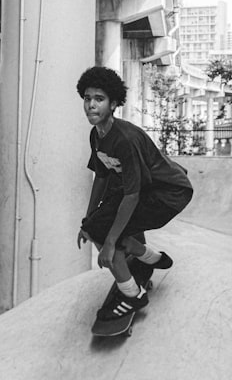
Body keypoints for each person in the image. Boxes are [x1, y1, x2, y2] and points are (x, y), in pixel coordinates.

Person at [76, 66, 193, 321]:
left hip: (168, 193)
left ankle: (132, 295)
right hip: (146, 188)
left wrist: (108, 243)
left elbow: (132, 196)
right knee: (97, 226)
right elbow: (102, 177)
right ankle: (150, 258)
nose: (91, 106)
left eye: (99, 99)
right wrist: (88, 221)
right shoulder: (96, 136)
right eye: (87, 99)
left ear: (114, 103)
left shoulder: (125, 139)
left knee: (108, 234)